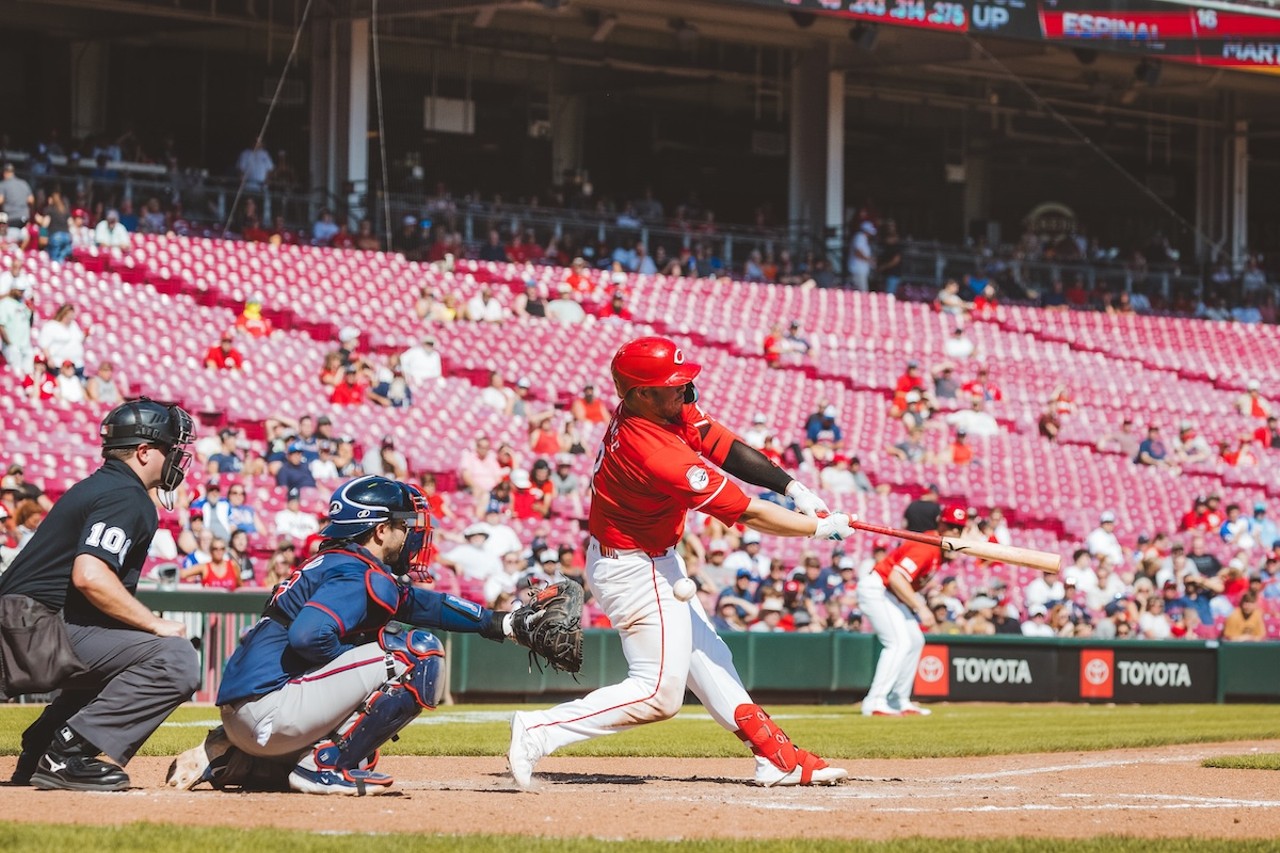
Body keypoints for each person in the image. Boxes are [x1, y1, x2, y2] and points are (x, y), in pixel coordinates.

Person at [507, 336, 851, 789]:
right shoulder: (653, 449)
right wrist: (816, 529)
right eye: (673, 385)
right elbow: (747, 512)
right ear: (639, 393)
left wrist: (794, 489)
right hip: (633, 566)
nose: (685, 392)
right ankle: (538, 731)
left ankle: (777, 757)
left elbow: (723, 444)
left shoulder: (660, 408)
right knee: (658, 694)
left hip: (650, 558)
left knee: (711, 659)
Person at [165, 476, 545, 795]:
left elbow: (422, 605)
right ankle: (323, 766)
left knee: (365, 749)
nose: (411, 533)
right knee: (417, 654)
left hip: (246, 713)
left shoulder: (338, 562)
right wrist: (361, 647)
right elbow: (307, 637)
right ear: (380, 530)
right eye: (402, 525)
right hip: (269, 711)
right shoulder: (355, 572)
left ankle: (237, 761)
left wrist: (502, 623)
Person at [1, 399, 200, 791]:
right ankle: (65, 757)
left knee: (128, 652)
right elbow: (90, 575)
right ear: (144, 452)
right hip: (33, 629)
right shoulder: (127, 495)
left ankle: (43, 749)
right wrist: (155, 623)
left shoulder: (103, 486)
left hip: (22, 625)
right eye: (170, 448)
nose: (177, 457)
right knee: (175, 658)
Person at [857, 506, 967, 716]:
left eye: (959, 528)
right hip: (878, 588)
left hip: (891, 594)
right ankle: (875, 701)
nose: (955, 532)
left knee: (915, 640)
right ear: (941, 524)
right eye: (951, 526)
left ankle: (899, 699)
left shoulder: (938, 548)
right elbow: (896, 578)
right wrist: (921, 607)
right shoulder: (928, 546)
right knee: (898, 642)